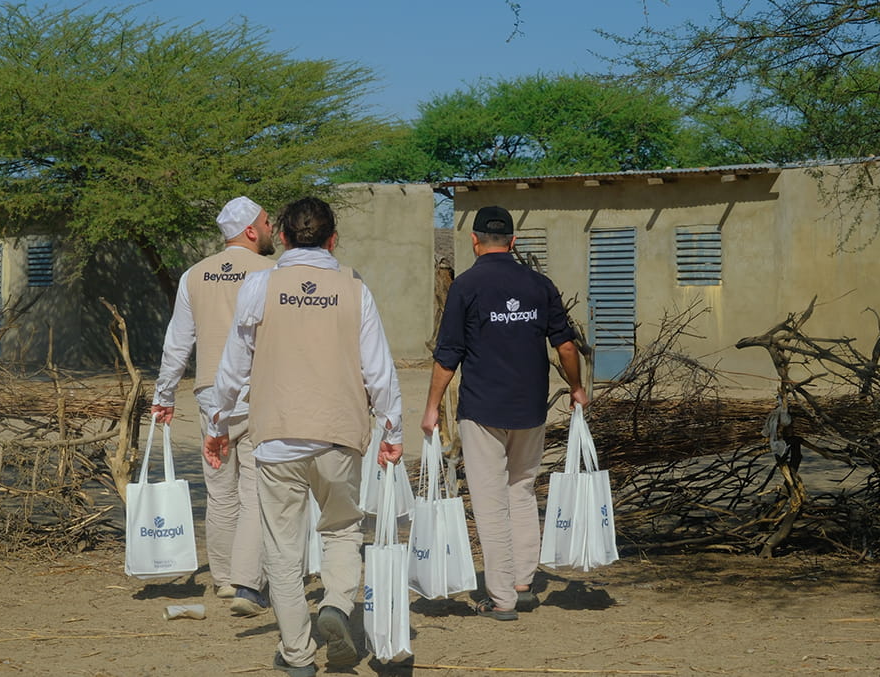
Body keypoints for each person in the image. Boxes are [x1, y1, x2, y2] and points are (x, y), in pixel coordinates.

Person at [204, 196, 403, 677]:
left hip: (276, 440)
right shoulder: (354, 289)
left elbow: (232, 366)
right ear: (333, 239)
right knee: (342, 530)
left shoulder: (259, 285)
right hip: (339, 435)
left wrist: (216, 424)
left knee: (283, 552)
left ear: (285, 239)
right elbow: (378, 369)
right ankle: (335, 605)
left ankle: (297, 655)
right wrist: (391, 425)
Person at [420, 204, 590, 622]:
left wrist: (431, 408)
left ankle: (501, 599)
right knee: (522, 491)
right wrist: (577, 387)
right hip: (530, 410)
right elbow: (566, 346)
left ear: (475, 242)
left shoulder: (465, 286)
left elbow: (448, 355)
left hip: (482, 411)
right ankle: (522, 583)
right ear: (513, 242)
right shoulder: (539, 284)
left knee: (491, 500)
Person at [150, 196, 276, 617]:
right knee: (255, 489)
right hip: (259, 392)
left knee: (220, 492)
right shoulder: (272, 272)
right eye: (266, 221)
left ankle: (222, 579)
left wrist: (163, 395)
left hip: (210, 397)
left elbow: (177, 342)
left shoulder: (193, 275)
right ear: (252, 230)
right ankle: (247, 581)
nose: (272, 227)